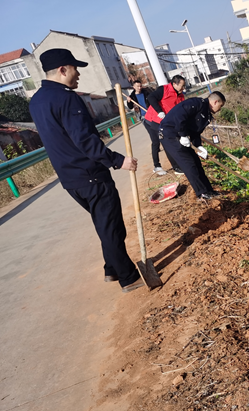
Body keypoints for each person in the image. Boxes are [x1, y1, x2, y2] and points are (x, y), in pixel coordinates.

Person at [29, 48, 144, 293]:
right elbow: (85, 140)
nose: (78, 73)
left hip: (71, 180)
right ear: (62, 70)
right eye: (74, 68)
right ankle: (129, 277)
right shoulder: (66, 98)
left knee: (104, 224)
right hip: (91, 175)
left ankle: (111, 269)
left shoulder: (37, 100)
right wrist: (116, 160)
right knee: (112, 227)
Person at [159, 91, 226, 201]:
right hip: (170, 135)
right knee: (189, 164)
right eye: (221, 105)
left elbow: (195, 132)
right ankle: (202, 193)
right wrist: (183, 134)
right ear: (215, 102)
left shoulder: (207, 115)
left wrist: (198, 146)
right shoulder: (196, 103)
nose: (220, 109)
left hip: (180, 136)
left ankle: (209, 190)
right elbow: (179, 116)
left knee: (196, 163)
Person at [143, 75, 186, 176]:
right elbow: (151, 97)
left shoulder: (180, 96)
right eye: (182, 86)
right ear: (174, 84)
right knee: (163, 141)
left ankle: (181, 162)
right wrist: (159, 111)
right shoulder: (164, 89)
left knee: (174, 139)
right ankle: (172, 167)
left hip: (165, 122)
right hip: (152, 120)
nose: (183, 88)